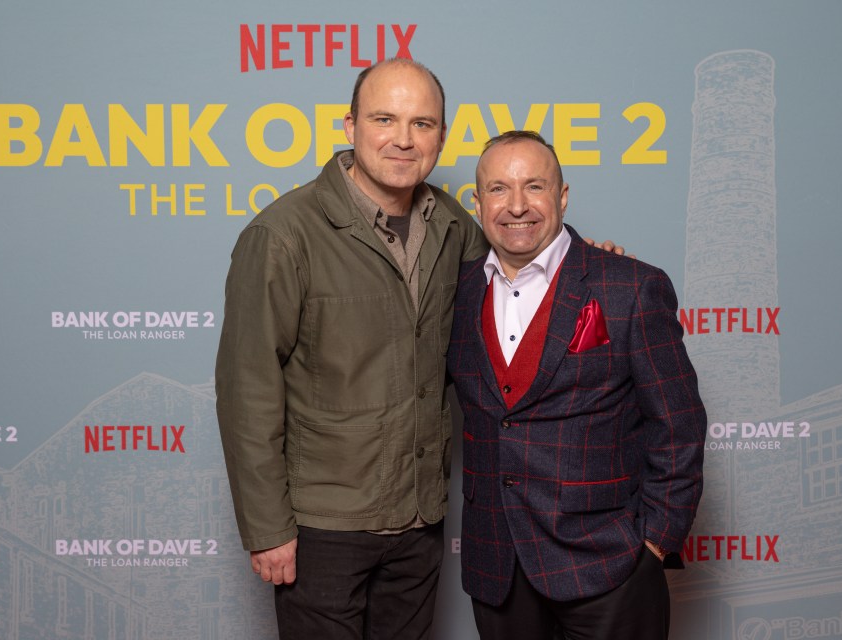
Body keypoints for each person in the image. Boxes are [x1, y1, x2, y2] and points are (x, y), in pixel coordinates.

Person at [216, 60, 624, 639]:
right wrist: (267, 529)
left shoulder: (455, 227)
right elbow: (246, 392)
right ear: (349, 124)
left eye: (423, 123)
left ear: (441, 136)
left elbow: (528, 261)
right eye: (385, 119)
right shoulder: (284, 236)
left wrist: (596, 268)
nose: (404, 139)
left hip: (418, 523)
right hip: (321, 528)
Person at [447, 131, 706, 640]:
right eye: (498, 189)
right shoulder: (455, 293)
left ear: (562, 196)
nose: (516, 206)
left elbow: (679, 426)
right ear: (477, 204)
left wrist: (653, 544)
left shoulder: (628, 285)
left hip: (608, 564)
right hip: (497, 566)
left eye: (534, 187)